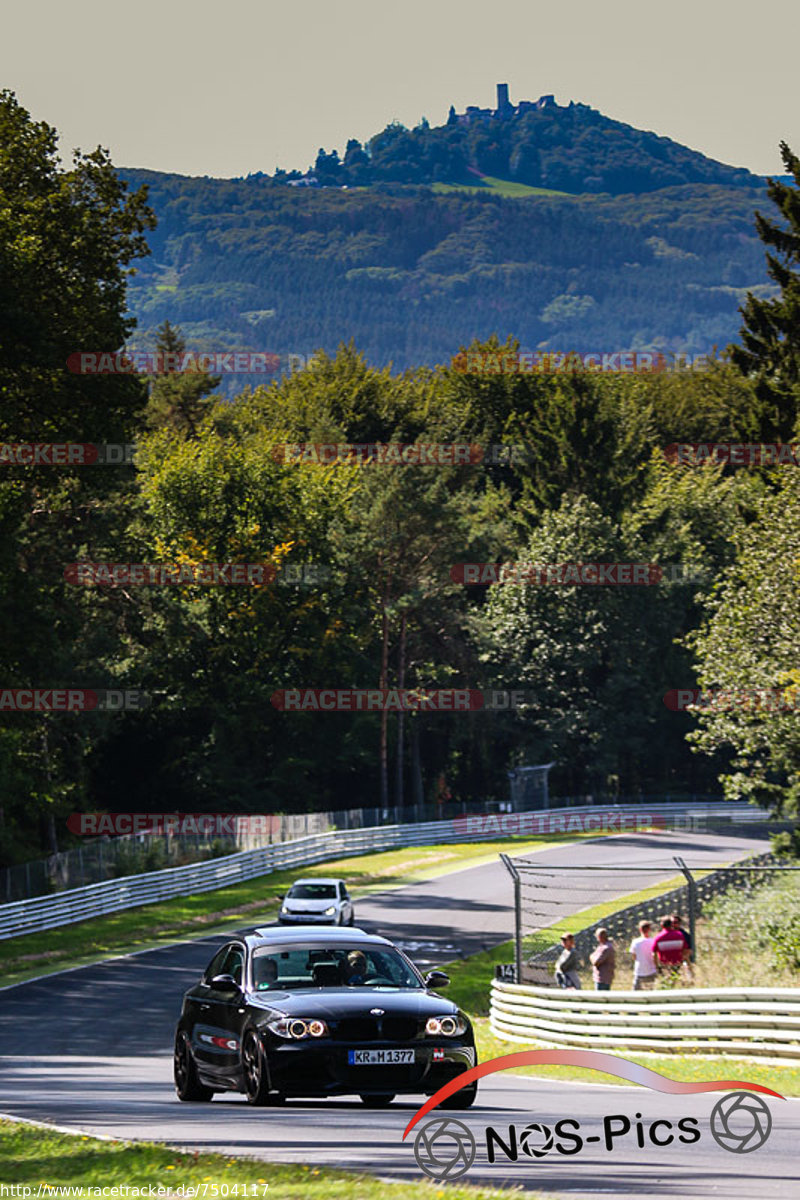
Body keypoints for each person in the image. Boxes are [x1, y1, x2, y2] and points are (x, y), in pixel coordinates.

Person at [628, 920, 657, 990]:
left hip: (639, 970)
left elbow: (633, 956)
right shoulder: (653, 941)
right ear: (649, 929)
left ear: (640, 929)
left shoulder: (635, 942)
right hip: (651, 970)